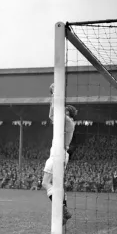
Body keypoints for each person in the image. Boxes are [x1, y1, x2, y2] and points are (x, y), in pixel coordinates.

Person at [42, 83, 77, 225]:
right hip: (59, 153)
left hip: (58, 153)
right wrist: (53, 95)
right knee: (57, 185)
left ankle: (62, 209)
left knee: (45, 183)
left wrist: (56, 93)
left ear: (67, 113)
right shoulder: (63, 121)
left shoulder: (67, 122)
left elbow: (55, 112)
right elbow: (52, 114)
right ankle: (64, 213)